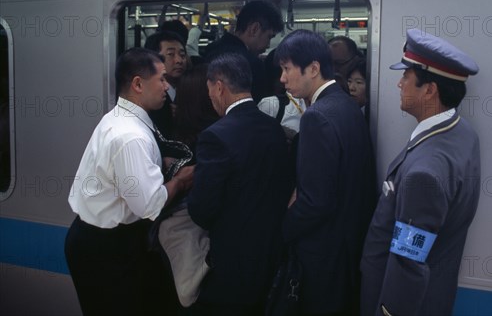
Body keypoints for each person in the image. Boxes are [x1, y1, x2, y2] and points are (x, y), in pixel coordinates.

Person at [64, 48, 195, 316]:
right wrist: (181, 181)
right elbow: (149, 204)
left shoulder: (120, 118)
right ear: (138, 84)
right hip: (106, 249)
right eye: (161, 79)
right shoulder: (131, 136)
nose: (166, 86)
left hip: (95, 238)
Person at [360, 29, 480, 316]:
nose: (399, 84)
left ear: (429, 90)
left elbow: (408, 262)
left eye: (406, 77)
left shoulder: (423, 175)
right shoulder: (462, 134)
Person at [277, 29, 376, 316]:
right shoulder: (346, 105)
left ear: (313, 68)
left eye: (286, 69)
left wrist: (282, 229)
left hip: (322, 254)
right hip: (347, 248)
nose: (282, 78)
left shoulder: (317, 117)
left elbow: (315, 202)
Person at [187, 53, 292, 315]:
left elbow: (202, 209)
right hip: (271, 255)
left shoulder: (215, 137)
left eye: (209, 89)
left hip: (233, 264)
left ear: (219, 87)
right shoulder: (274, 128)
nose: (210, 97)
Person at [204, 0, 284, 102]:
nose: (268, 45)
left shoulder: (210, 49)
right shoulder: (253, 64)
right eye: (269, 37)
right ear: (254, 29)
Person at [144, 30, 187, 138]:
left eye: (182, 55)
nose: (179, 60)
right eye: (171, 54)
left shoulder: (189, 90)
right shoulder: (150, 98)